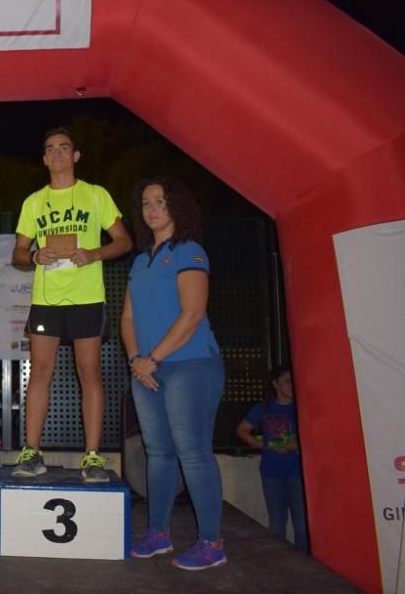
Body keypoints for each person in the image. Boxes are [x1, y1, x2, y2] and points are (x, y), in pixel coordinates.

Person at [11, 127, 131, 482]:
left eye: (65, 148)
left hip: (86, 297)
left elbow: (123, 241)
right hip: (46, 299)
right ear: (45, 159)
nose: (58, 154)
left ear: (76, 156)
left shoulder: (96, 195)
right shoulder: (34, 202)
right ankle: (32, 452)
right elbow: (17, 252)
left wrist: (94, 253)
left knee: (89, 373)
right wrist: (34, 255)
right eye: (51, 149)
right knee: (40, 372)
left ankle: (92, 457)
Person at [120, 176, 227, 570]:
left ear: (176, 206)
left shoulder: (189, 250)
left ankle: (212, 543)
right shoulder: (140, 259)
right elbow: (128, 317)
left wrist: (154, 358)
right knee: (158, 454)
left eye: (160, 201)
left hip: (190, 366)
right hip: (146, 370)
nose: (152, 209)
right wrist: (136, 359)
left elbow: (193, 312)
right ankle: (159, 534)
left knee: (193, 454)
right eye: (146, 202)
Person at [237, 368, 308, 552]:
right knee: (277, 521)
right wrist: (259, 444)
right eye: (287, 381)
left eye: (294, 380)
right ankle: (279, 561)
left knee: (302, 524)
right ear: (275, 384)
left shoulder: (302, 407)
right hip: (271, 471)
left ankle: (305, 563)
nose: (292, 385)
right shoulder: (264, 408)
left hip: (299, 472)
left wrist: (298, 444)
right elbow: (242, 429)